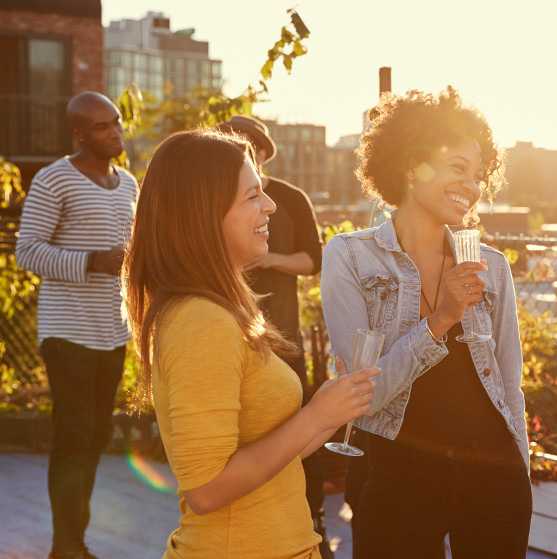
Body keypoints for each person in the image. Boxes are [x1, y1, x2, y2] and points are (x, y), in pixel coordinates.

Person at [122, 129, 379, 559]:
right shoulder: (198, 320)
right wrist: (317, 413)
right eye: (252, 195)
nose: (271, 205)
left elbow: (274, 452)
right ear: (204, 214)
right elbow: (206, 489)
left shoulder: (221, 310)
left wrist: (330, 413)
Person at [321, 87, 532, 559]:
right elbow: (364, 396)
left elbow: (509, 384)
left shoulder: (490, 266)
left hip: (493, 476)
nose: (473, 186)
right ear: (413, 165)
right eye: (458, 168)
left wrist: (519, 470)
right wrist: (441, 320)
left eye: (478, 175)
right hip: (396, 475)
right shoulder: (351, 256)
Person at [16, 91, 138, 559]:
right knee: (73, 435)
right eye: (103, 126)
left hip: (113, 330)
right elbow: (29, 251)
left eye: (117, 121)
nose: (115, 131)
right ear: (80, 134)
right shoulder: (54, 180)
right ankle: (66, 545)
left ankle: (74, 540)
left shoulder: (128, 184)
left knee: (96, 436)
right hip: (67, 330)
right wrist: (93, 261)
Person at [218, 115, 331, 556]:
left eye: (248, 147)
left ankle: (313, 513)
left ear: (263, 153)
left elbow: (313, 260)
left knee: (301, 424)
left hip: (282, 334)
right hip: (231, 331)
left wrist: (269, 260)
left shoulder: (289, 198)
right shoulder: (214, 199)